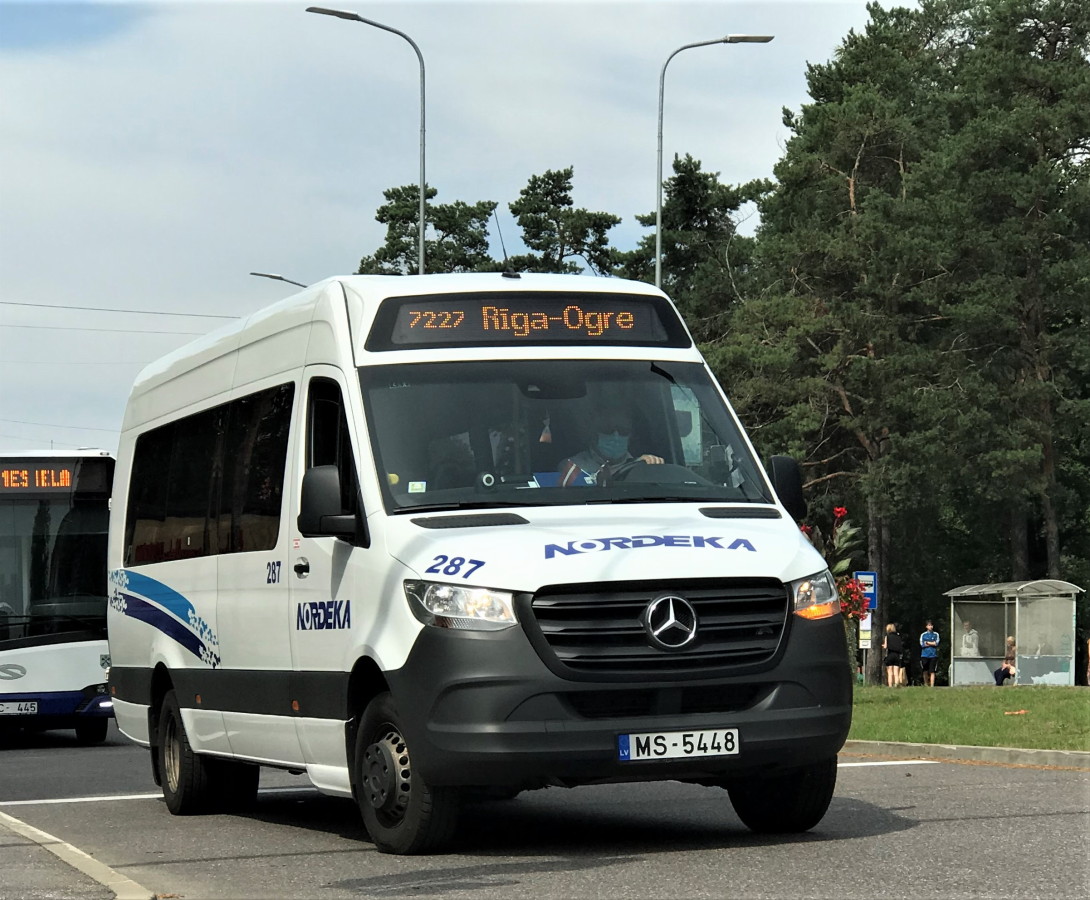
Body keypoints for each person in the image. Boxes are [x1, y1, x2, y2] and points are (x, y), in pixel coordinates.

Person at [558, 407, 663, 487]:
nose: (616, 436)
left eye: (623, 430)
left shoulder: (643, 466)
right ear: (594, 433)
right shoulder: (572, 466)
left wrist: (647, 466)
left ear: (630, 436)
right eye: (608, 429)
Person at [920, 620, 940, 687]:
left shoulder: (936, 634)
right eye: (929, 625)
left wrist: (928, 643)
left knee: (932, 671)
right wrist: (931, 643)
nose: (930, 627)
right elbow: (922, 644)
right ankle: (926, 684)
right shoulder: (923, 635)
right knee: (925, 670)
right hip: (924, 655)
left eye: (931, 625)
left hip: (933, 655)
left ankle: (932, 685)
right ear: (926, 626)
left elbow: (936, 643)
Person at [882, 623, 903, 687]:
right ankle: (896, 685)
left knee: (890, 672)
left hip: (890, 654)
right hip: (897, 655)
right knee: (896, 672)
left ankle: (890, 686)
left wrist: (882, 645)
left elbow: (885, 646)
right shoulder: (898, 637)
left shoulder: (887, 637)